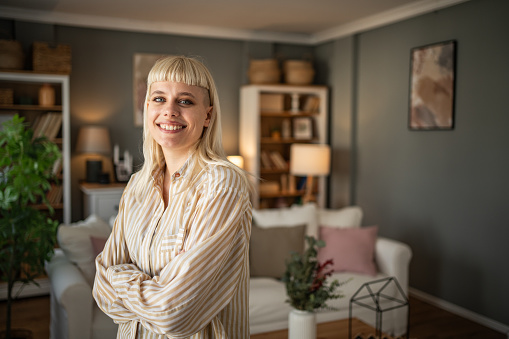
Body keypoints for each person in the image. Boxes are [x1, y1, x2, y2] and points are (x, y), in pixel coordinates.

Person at [93, 55, 253, 339]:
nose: (169, 111)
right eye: (158, 99)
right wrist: (152, 292)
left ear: (207, 116)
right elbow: (102, 293)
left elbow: (175, 314)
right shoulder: (136, 186)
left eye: (185, 101)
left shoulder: (222, 184)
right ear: (147, 109)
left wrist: (121, 279)